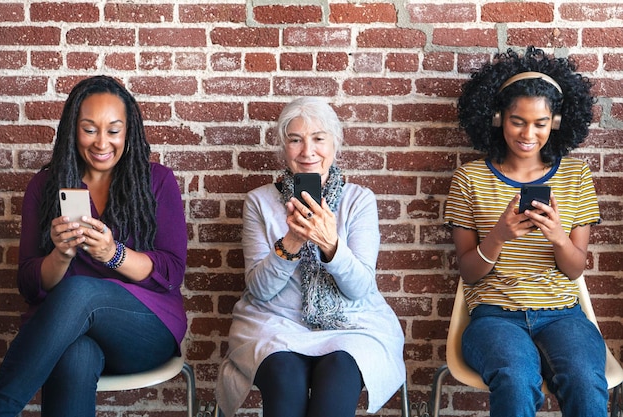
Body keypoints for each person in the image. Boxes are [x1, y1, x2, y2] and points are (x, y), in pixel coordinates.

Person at [0, 76, 188, 416]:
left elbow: (172, 271)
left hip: (144, 332)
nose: (102, 142)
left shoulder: (157, 180)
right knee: (75, 355)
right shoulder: (44, 186)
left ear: (128, 133)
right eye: (89, 129)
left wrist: (113, 255)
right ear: (73, 130)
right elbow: (29, 283)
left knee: (81, 291)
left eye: (113, 130)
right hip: (67, 334)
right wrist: (61, 255)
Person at [215, 97, 405, 417]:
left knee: (338, 379)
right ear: (282, 147)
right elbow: (259, 290)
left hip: (351, 323)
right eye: (295, 140)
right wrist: (292, 241)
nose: (307, 151)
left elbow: (359, 288)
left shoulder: (359, 201)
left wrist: (331, 245)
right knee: (284, 378)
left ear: (335, 145)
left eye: (318, 138)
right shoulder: (259, 202)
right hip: (274, 323)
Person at [445, 46, 608, 416]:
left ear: (556, 122)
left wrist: (557, 236)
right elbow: (469, 272)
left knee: (585, 379)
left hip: (564, 314)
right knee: (517, 378)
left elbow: (574, 269)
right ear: (499, 117)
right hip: (493, 316)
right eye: (518, 120)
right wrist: (499, 236)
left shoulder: (576, 176)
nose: (528, 133)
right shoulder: (469, 178)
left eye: (540, 123)